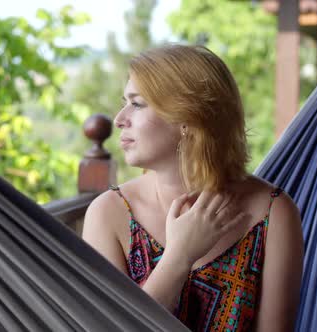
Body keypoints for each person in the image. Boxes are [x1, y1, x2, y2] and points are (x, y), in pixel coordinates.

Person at [82, 44, 303, 332]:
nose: (119, 119)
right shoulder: (108, 214)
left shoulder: (272, 213)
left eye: (136, 103)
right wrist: (179, 256)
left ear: (186, 117)